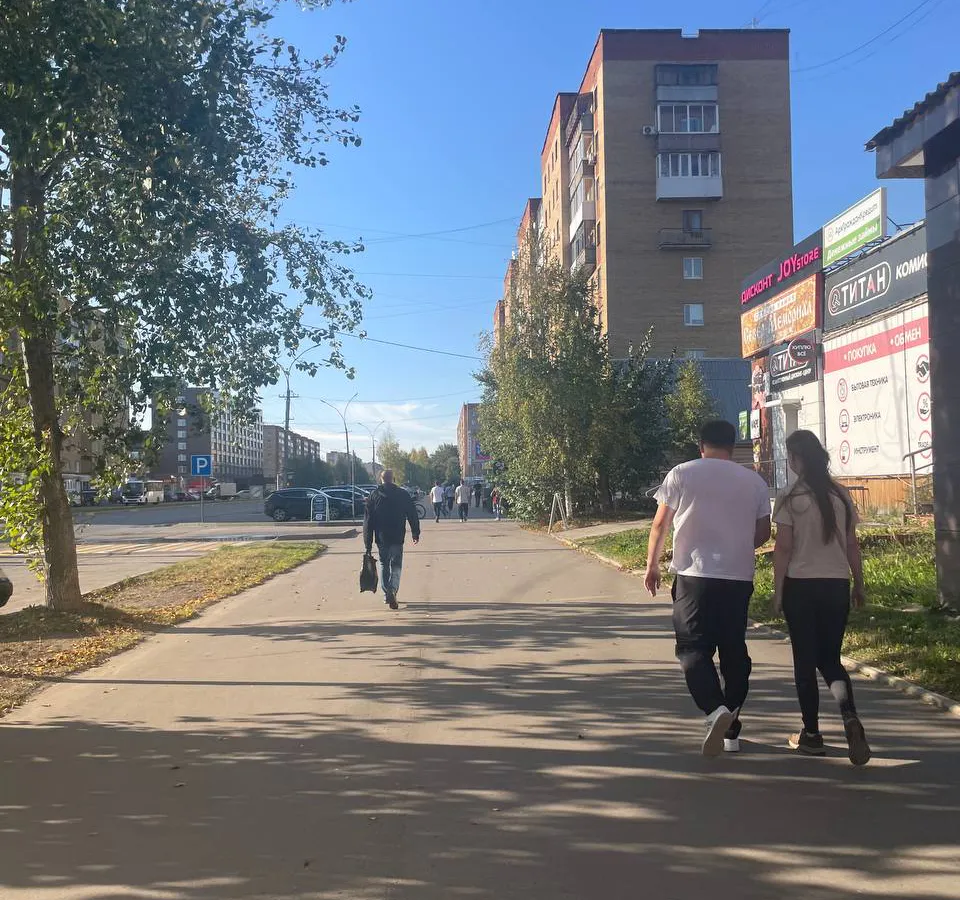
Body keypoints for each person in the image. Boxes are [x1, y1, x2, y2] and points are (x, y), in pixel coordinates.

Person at [644, 420, 772, 757]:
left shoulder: (682, 473)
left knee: (692, 648)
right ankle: (732, 723)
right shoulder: (754, 481)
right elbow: (763, 534)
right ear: (732, 446)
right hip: (737, 577)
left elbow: (660, 524)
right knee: (733, 649)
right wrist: (737, 544)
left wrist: (652, 565)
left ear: (701, 445)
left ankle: (715, 710)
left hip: (693, 576)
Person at [773, 430, 870, 766]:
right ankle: (849, 716)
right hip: (835, 586)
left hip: (801, 587)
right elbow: (852, 545)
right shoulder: (840, 494)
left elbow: (783, 548)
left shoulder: (790, 497)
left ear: (797, 460)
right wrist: (859, 584)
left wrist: (777, 591)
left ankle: (811, 735)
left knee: (805, 662)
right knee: (830, 659)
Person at [363, 469, 421, 610]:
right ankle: (393, 590)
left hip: (381, 537)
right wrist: (415, 532)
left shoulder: (374, 496)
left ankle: (386, 593)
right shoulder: (402, 494)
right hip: (397, 536)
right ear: (393, 479)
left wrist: (368, 543)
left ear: (381, 480)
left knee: (384, 564)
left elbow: (368, 522)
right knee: (396, 565)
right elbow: (412, 513)